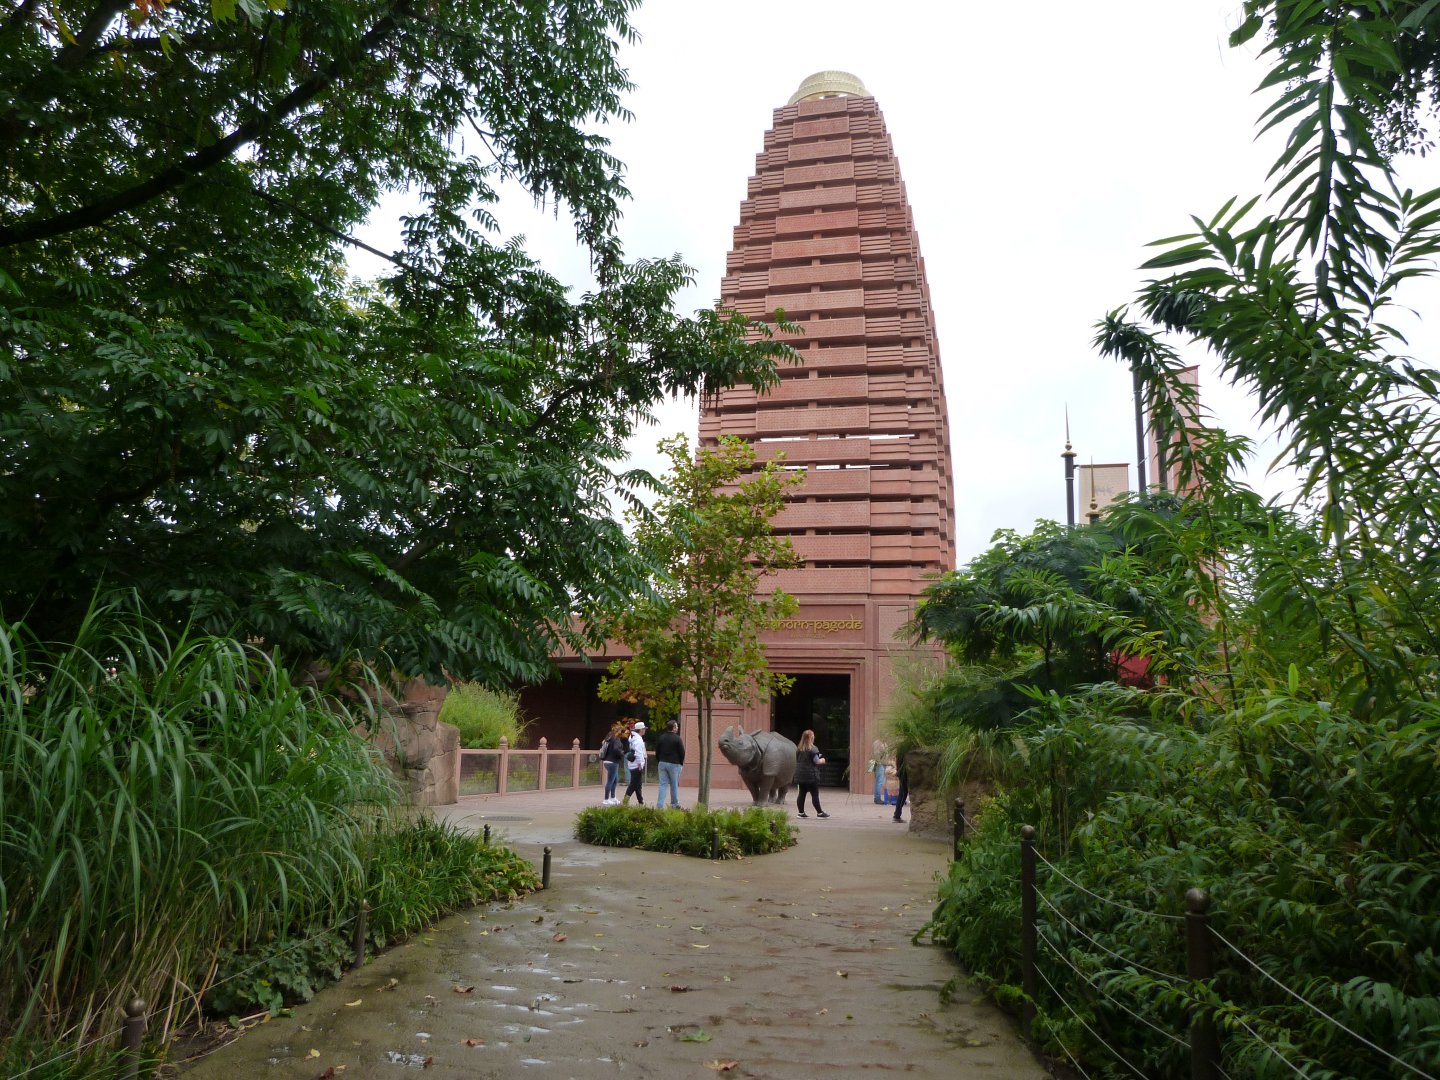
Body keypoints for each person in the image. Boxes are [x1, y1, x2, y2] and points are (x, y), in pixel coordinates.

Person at [793, 729, 829, 818]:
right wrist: (822, 760)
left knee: (801, 793)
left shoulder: (799, 749)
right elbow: (816, 761)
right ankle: (820, 813)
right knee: (815, 794)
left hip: (800, 775)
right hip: (811, 776)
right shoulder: (813, 749)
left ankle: (801, 813)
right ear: (811, 738)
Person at [655, 718, 685, 810]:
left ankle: (660, 806)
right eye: (676, 726)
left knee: (662, 784)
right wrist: (680, 763)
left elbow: (657, 751)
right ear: (673, 727)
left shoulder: (662, 737)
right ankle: (674, 804)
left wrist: (659, 760)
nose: (677, 728)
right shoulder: (677, 738)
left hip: (662, 763)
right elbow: (682, 752)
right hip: (674, 764)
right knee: (674, 784)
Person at [600, 722, 628, 805]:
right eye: (620, 730)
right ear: (618, 731)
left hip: (606, 761)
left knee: (615, 780)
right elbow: (616, 749)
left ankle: (613, 797)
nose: (621, 732)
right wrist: (622, 753)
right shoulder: (616, 739)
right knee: (610, 781)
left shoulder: (608, 737)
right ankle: (606, 799)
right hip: (613, 762)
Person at [622, 720, 648, 806]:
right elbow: (639, 753)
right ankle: (625, 801)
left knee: (637, 784)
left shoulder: (633, 738)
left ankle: (641, 801)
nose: (644, 730)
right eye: (644, 729)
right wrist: (641, 764)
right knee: (634, 785)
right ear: (640, 730)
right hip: (637, 765)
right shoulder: (638, 740)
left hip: (632, 764)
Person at [869, 738, 891, 805]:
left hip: (883, 764)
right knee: (880, 782)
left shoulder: (884, 743)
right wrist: (879, 764)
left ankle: (877, 798)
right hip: (879, 764)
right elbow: (876, 754)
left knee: (879, 781)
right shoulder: (878, 743)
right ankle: (877, 799)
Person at [893, 751, 909, 823]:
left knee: (902, 793)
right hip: (904, 774)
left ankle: (897, 815)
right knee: (903, 794)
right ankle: (897, 815)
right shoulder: (906, 750)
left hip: (902, 773)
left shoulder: (901, 749)